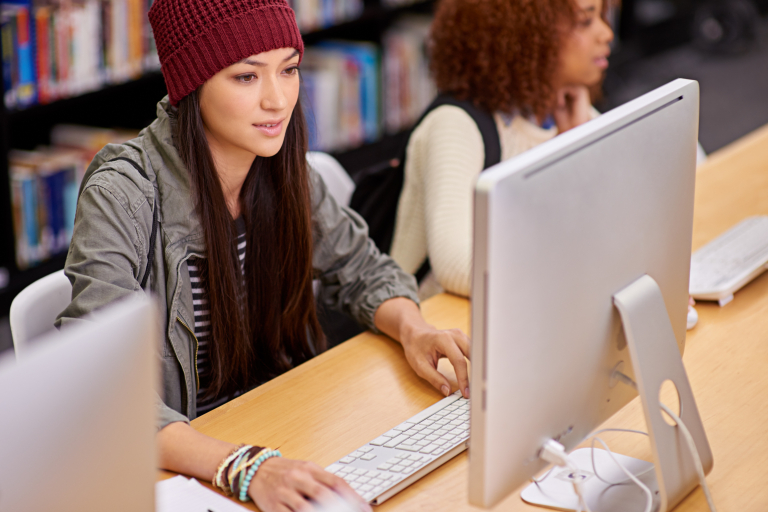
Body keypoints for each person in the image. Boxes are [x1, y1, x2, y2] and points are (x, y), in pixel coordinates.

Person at [55, 0, 470, 508]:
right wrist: (245, 466)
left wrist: (415, 329)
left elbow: (362, 269)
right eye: (246, 77)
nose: (278, 100)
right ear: (194, 83)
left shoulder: (281, 167)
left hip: (274, 426)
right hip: (186, 465)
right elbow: (102, 392)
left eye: (289, 70)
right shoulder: (124, 192)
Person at [389, 0, 614, 298]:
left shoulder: (567, 112)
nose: (606, 33)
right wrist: (592, 274)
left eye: (601, 17)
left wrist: (576, 146)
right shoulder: (456, 124)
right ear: (528, 33)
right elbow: (457, 266)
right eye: (585, 21)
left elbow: (614, 219)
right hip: (436, 321)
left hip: (521, 306)